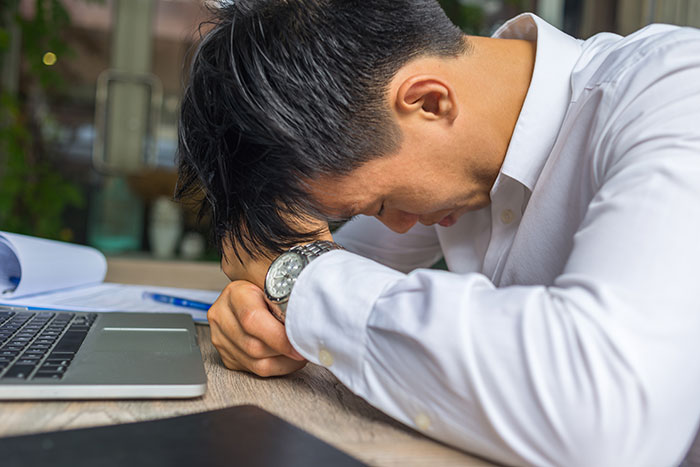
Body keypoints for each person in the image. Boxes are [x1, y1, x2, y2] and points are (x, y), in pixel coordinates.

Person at [176, 1, 700, 465]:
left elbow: (604, 419)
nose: (397, 224)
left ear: (429, 102)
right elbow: (310, 278)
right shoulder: (459, 154)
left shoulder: (676, 92)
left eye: (380, 203)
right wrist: (258, 313)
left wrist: (299, 278)